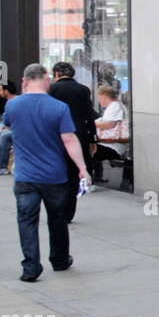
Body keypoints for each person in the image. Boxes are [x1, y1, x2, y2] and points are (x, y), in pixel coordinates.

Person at [4, 64, 91, 282]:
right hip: (54, 175)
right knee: (57, 219)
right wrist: (82, 168)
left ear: (24, 81)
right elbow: (69, 139)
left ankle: (31, 267)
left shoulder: (13, 106)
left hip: (24, 176)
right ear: (46, 79)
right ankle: (60, 260)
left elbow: (8, 124)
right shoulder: (59, 108)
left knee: (26, 220)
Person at [49, 62, 98, 222]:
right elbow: (89, 115)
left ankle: (58, 208)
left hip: (57, 136)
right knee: (73, 174)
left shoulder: (52, 89)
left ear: (56, 73)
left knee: (58, 172)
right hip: (79, 135)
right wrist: (93, 137)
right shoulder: (83, 90)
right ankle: (69, 212)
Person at [91, 84, 131, 186]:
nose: (99, 101)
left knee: (86, 151)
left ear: (104, 96)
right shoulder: (114, 106)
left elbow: (109, 124)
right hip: (110, 145)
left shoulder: (115, 106)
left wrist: (92, 123)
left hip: (113, 146)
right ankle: (93, 178)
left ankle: (89, 182)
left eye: (99, 98)